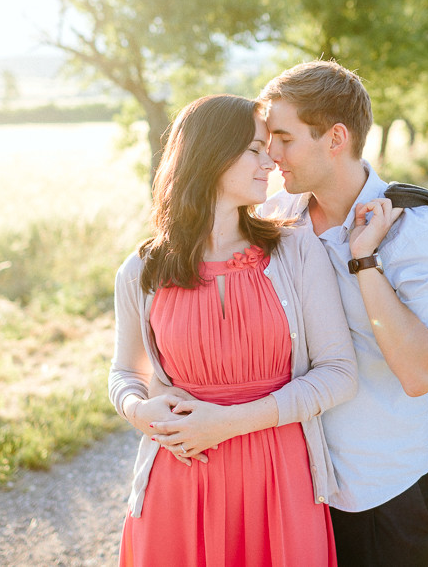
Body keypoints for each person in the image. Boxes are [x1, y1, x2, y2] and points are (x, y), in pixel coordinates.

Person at [108, 93, 358, 566]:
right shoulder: (142, 269)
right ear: (210, 155)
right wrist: (141, 412)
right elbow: (125, 372)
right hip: (179, 478)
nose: (271, 162)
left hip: (278, 478)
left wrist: (226, 424)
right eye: (254, 149)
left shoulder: (296, 251)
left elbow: (340, 372)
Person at [257, 61, 428, 566]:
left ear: (335, 137)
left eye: (283, 138)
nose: (271, 153)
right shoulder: (275, 218)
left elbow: (420, 374)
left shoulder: (415, 230)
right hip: (293, 485)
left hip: (380, 491)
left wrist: (364, 261)